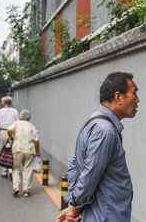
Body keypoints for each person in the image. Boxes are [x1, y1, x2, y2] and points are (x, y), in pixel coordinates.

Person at [57, 72, 139, 222]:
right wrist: (74, 209)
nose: (138, 100)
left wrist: (73, 205)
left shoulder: (95, 123)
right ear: (118, 97)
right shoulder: (105, 131)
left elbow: (75, 164)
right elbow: (89, 175)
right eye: (134, 93)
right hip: (106, 216)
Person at [7, 109, 41, 197]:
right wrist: (37, 153)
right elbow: (36, 141)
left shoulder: (16, 123)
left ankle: (16, 188)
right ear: (29, 117)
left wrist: (11, 137)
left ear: (20, 116)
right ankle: (26, 190)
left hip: (17, 149)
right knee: (28, 169)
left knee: (16, 169)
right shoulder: (32, 126)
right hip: (29, 150)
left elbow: (9, 130)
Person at [0, 96, 18, 178]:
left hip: (3, 132)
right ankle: (11, 170)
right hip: (12, 132)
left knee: (4, 150)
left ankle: (4, 171)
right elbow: (17, 122)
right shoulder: (15, 111)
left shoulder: (0, 111)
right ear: (10, 102)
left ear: (3, 103)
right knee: (12, 151)